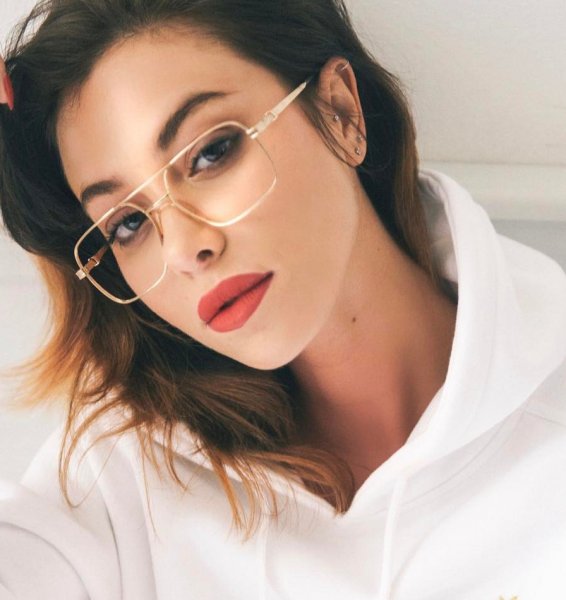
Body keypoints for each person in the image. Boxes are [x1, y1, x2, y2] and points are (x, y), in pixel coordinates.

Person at [1, 1, 565, 598]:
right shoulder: (117, 481)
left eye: (211, 153)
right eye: (127, 224)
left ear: (340, 113)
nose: (185, 249)